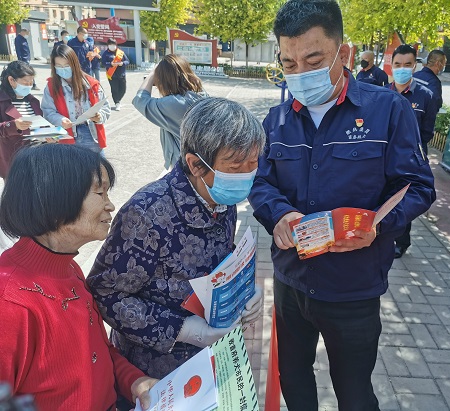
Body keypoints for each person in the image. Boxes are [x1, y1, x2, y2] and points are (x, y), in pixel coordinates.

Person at [248, 1, 436, 410]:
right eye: (289, 63)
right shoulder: (276, 120)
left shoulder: (388, 111)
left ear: (343, 52)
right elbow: (260, 181)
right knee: (293, 379)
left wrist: (379, 225)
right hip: (292, 280)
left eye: (314, 60)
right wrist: (278, 214)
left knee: (355, 393)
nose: (301, 73)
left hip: (353, 287)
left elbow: (418, 186)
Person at [87, 98, 266, 406]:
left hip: (212, 360)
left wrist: (246, 290)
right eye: (235, 168)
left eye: (253, 164)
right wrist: (184, 330)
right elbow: (106, 294)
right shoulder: (147, 214)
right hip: (156, 375)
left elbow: (222, 253)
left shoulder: (220, 196)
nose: (246, 176)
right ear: (195, 164)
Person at [0, 144, 158, 410]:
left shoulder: (68, 267)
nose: (110, 205)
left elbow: (96, 352)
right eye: (100, 192)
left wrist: (134, 382)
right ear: (54, 200)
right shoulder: (10, 303)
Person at [385, 44, 437, 259]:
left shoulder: (425, 95)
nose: (402, 69)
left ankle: (402, 242)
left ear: (415, 66)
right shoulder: (382, 94)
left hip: (410, 159)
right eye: (398, 64)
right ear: (391, 65)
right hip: (384, 157)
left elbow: (427, 131)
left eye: (407, 64)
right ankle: (383, 235)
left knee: (404, 200)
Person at [132, 54, 207, 170]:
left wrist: (151, 75)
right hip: (201, 164)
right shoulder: (200, 95)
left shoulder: (175, 104)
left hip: (186, 170)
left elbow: (140, 100)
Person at [41, 45, 110, 153]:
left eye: (67, 65)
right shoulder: (51, 87)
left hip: (90, 134)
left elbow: (105, 107)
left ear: (74, 64)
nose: (63, 69)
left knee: (96, 164)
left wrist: (99, 116)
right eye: (59, 66)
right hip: (65, 136)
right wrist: (60, 120)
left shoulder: (91, 84)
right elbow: (48, 111)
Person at [0, 61, 42, 180]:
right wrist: (14, 126)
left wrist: (49, 136)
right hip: (13, 159)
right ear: (11, 80)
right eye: (25, 82)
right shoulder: (1, 101)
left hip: (36, 156)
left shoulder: (33, 101)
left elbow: (40, 125)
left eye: (31, 82)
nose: (29, 86)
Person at [102, 38, 129, 111]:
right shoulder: (106, 53)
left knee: (123, 89)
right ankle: (117, 103)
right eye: (110, 44)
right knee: (115, 89)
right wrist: (110, 64)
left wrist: (122, 63)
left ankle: (118, 100)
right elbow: (103, 63)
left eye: (113, 44)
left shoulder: (121, 53)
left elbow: (127, 61)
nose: (112, 46)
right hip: (112, 75)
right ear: (108, 45)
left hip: (121, 74)